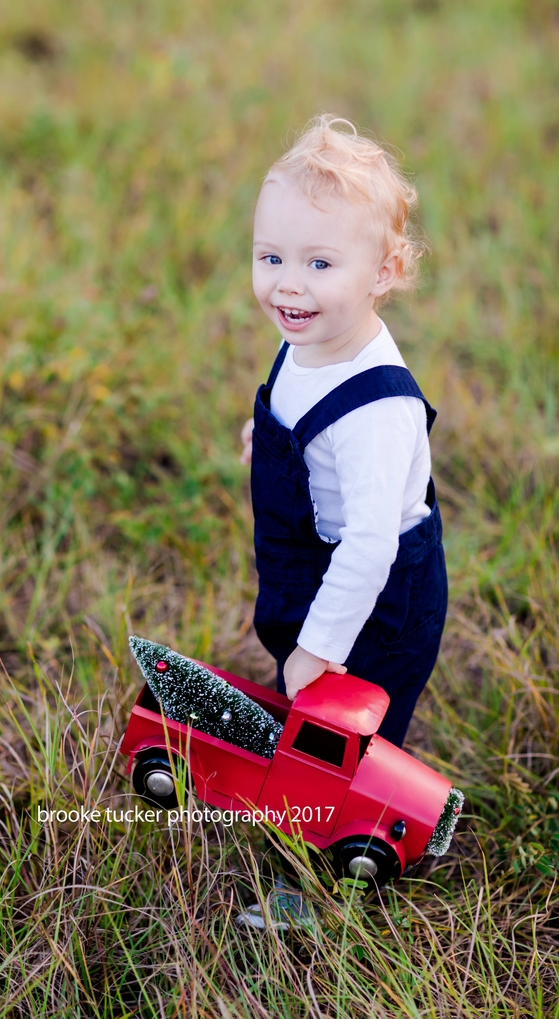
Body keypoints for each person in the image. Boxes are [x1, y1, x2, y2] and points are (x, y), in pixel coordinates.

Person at [240, 115, 447, 749]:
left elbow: (369, 546)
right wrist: (268, 435)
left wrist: (319, 646)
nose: (289, 283)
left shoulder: (375, 414)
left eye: (320, 262)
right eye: (271, 257)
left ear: (382, 273)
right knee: (309, 708)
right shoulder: (309, 334)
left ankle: (343, 823)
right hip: (317, 561)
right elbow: (299, 408)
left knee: (350, 729)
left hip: (379, 597)